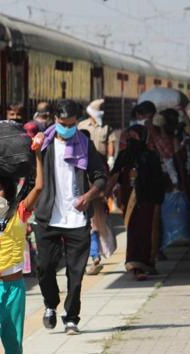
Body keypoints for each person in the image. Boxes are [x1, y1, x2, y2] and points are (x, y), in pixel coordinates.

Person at [34, 99, 107, 335]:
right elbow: (28, 175)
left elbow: (100, 176)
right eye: (62, 123)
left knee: (76, 273)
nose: (66, 128)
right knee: (45, 268)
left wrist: (88, 196)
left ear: (77, 122)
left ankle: (71, 317)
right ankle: (50, 304)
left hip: (76, 219)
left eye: (71, 124)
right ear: (55, 120)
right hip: (47, 216)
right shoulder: (43, 144)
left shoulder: (85, 143)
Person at [0, 133, 44, 354]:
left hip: (14, 287)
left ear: (7, 190)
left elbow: (39, 187)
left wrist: (37, 154)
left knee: (14, 342)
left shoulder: (20, 212)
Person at [105, 125, 165, 280]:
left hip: (149, 200)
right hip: (129, 202)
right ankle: (136, 266)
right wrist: (104, 195)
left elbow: (158, 180)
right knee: (133, 232)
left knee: (149, 231)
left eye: (135, 137)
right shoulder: (124, 156)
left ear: (143, 138)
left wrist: (159, 200)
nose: (131, 141)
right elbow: (115, 175)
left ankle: (147, 263)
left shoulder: (151, 156)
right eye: (129, 137)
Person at [78, 99, 115, 275]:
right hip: (86, 184)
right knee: (92, 224)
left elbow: (110, 146)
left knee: (94, 223)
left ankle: (94, 257)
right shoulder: (81, 126)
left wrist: (109, 160)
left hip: (94, 183)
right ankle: (94, 256)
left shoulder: (107, 127)